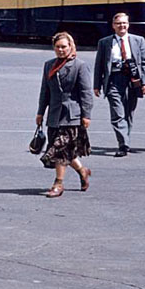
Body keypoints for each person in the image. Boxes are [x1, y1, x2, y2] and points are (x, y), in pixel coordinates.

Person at [36, 32, 93, 198]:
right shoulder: (49, 65)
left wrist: (86, 115)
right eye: (57, 47)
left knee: (60, 151)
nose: (60, 50)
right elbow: (44, 91)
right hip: (54, 114)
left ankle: (58, 184)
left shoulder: (79, 66)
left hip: (72, 115)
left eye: (64, 47)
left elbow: (86, 93)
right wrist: (40, 112)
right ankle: (83, 171)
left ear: (71, 47)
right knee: (66, 150)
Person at [93, 12, 145, 157]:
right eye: (118, 23)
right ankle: (123, 144)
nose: (122, 26)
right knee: (118, 113)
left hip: (133, 80)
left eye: (124, 23)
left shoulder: (139, 41)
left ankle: (126, 140)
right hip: (113, 79)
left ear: (128, 24)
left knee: (128, 113)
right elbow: (99, 64)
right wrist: (96, 85)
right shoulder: (104, 42)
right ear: (113, 26)